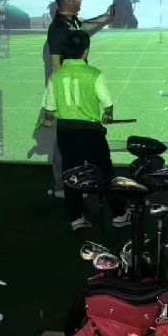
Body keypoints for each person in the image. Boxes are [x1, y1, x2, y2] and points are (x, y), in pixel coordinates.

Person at [42, 29, 129, 232]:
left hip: (66, 133)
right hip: (91, 133)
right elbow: (107, 104)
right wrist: (108, 116)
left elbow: (50, 109)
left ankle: (76, 218)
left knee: (71, 174)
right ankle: (118, 215)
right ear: (86, 51)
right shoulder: (95, 74)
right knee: (105, 173)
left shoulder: (56, 76)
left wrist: (48, 121)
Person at [44, 0, 115, 197]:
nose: (81, 0)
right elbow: (56, 67)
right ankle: (62, 186)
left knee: (72, 141)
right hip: (68, 93)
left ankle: (76, 183)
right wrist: (69, 94)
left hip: (73, 89)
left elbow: (84, 28)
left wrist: (106, 17)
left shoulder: (71, 21)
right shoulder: (58, 29)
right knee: (66, 142)